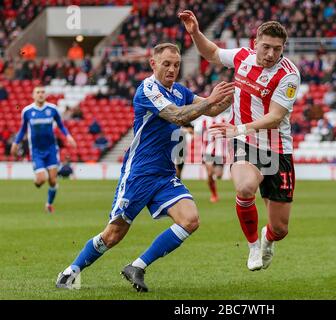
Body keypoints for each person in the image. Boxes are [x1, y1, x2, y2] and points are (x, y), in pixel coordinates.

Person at [55, 43, 234, 292]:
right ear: (153, 64)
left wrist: (238, 92)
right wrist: (211, 100)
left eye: (176, 65)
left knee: (190, 220)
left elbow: (213, 108)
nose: (172, 69)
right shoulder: (147, 89)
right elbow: (177, 116)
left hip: (164, 174)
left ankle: (137, 266)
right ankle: (71, 271)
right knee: (113, 235)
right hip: (138, 173)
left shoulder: (180, 91)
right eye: (166, 64)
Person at [180, 11, 300, 271]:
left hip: (278, 149)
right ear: (256, 42)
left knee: (280, 228)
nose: (270, 54)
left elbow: (276, 117)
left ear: (283, 49)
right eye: (266, 47)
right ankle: (253, 245)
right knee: (245, 188)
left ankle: (268, 239)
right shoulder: (242, 57)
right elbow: (212, 53)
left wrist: (238, 127)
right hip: (246, 144)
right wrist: (195, 33)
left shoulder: (289, 75)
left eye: (276, 49)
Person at [10, 86, 77, 213]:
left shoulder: (52, 109)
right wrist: (15, 142)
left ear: (45, 95)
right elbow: (23, 129)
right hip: (36, 151)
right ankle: (37, 181)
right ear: (33, 95)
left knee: (52, 180)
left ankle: (48, 204)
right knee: (41, 180)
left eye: (42, 92)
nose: (40, 94)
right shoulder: (27, 111)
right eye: (38, 92)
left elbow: (61, 125)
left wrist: (68, 136)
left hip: (51, 150)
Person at [194, 113, 229, 203]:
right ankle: (214, 194)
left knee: (218, 175)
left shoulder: (224, 119)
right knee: (209, 173)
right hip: (207, 151)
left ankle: (214, 187)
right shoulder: (203, 121)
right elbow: (196, 133)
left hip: (220, 152)